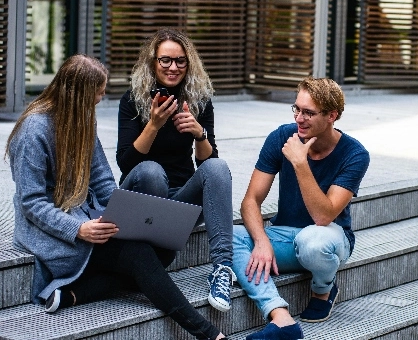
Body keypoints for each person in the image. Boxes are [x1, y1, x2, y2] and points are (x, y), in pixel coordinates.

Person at [5, 54, 229, 340]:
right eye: (98, 93)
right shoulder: (34, 130)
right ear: (79, 93)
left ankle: (76, 293)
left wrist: (123, 214)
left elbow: (102, 181)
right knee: (139, 255)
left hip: (89, 219)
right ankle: (208, 333)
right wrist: (79, 229)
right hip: (53, 232)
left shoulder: (82, 120)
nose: (101, 98)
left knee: (163, 252)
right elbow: (31, 202)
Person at [232, 77, 370, 340]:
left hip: (329, 238)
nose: (299, 118)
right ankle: (279, 317)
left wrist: (300, 163)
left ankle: (323, 289)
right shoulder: (281, 136)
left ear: (332, 115)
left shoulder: (355, 154)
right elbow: (250, 200)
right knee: (229, 236)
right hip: (284, 235)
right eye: (296, 109)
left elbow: (323, 215)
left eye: (308, 112)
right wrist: (261, 241)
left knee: (313, 241)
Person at [116, 28, 234, 312]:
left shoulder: (199, 99)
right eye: (165, 60)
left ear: (189, 63)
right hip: (142, 198)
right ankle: (149, 259)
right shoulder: (132, 100)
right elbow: (126, 163)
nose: (173, 67)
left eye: (180, 61)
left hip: (180, 202)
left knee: (219, 167)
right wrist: (154, 125)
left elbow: (208, 167)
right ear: (153, 62)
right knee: (152, 171)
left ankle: (222, 271)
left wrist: (199, 134)